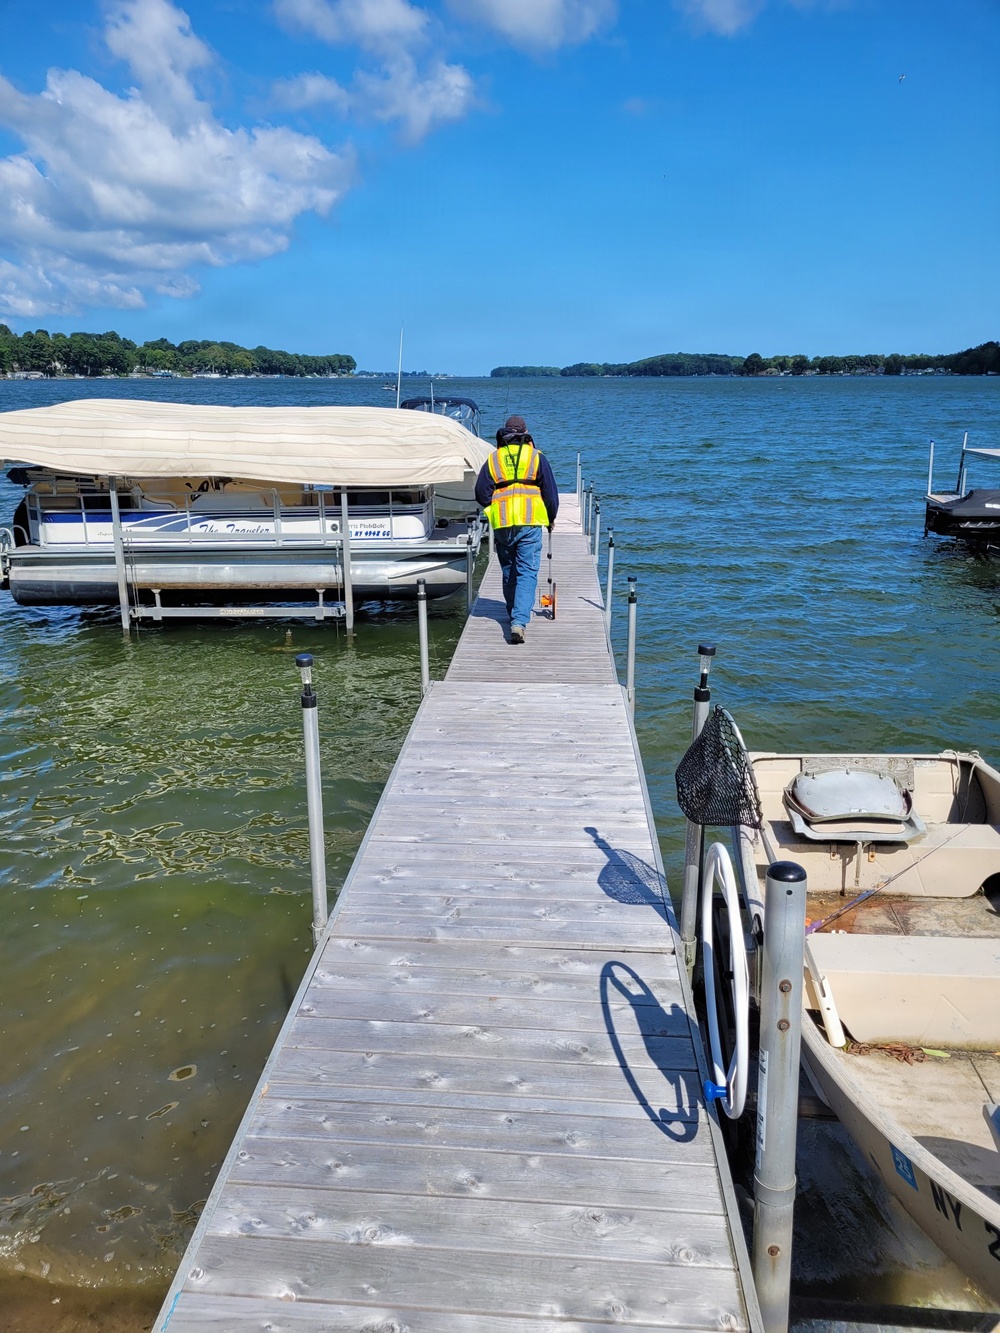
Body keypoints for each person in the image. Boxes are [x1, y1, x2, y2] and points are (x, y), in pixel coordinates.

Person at [475, 414, 559, 644]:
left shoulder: (494, 459)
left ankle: (513, 612)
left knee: (509, 570)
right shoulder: (536, 457)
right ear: (526, 433)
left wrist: (496, 505)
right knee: (527, 571)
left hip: (503, 523)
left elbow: (481, 493)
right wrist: (551, 517)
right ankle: (519, 622)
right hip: (529, 522)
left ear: (505, 433)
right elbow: (550, 494)